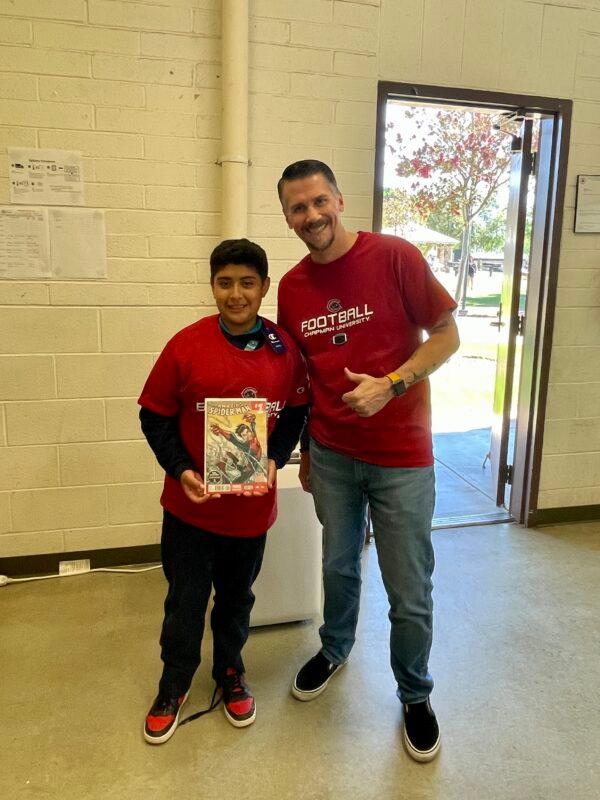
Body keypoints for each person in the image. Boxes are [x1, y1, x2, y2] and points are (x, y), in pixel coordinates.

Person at [276, 160, 459, 763]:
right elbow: (302, 375)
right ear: (288, 217)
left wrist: (393, 384)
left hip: (403, 456)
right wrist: (305, 451)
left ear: (339, 199)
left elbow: (446, 334)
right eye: (298, 208)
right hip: (331, 455)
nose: (311, 216)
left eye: (319, 202)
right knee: (338, 566)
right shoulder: (293, 288)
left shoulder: (394, 257)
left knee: (409, 588)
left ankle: (414, 694)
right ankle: (333, 648)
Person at [138, 238, 309, 744]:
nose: (236, 294)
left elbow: (297, 411)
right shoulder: (185, 345)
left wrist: (276, 456)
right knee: (185, 601)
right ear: (212, 285)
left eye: (247, 283)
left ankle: (230, 672)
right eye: (225, 282)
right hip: (189, 511)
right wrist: (181, 469)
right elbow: (154, 415)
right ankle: (174, 682)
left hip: (250, 514)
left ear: (264, 287)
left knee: (237, 600)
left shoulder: (285, 351)